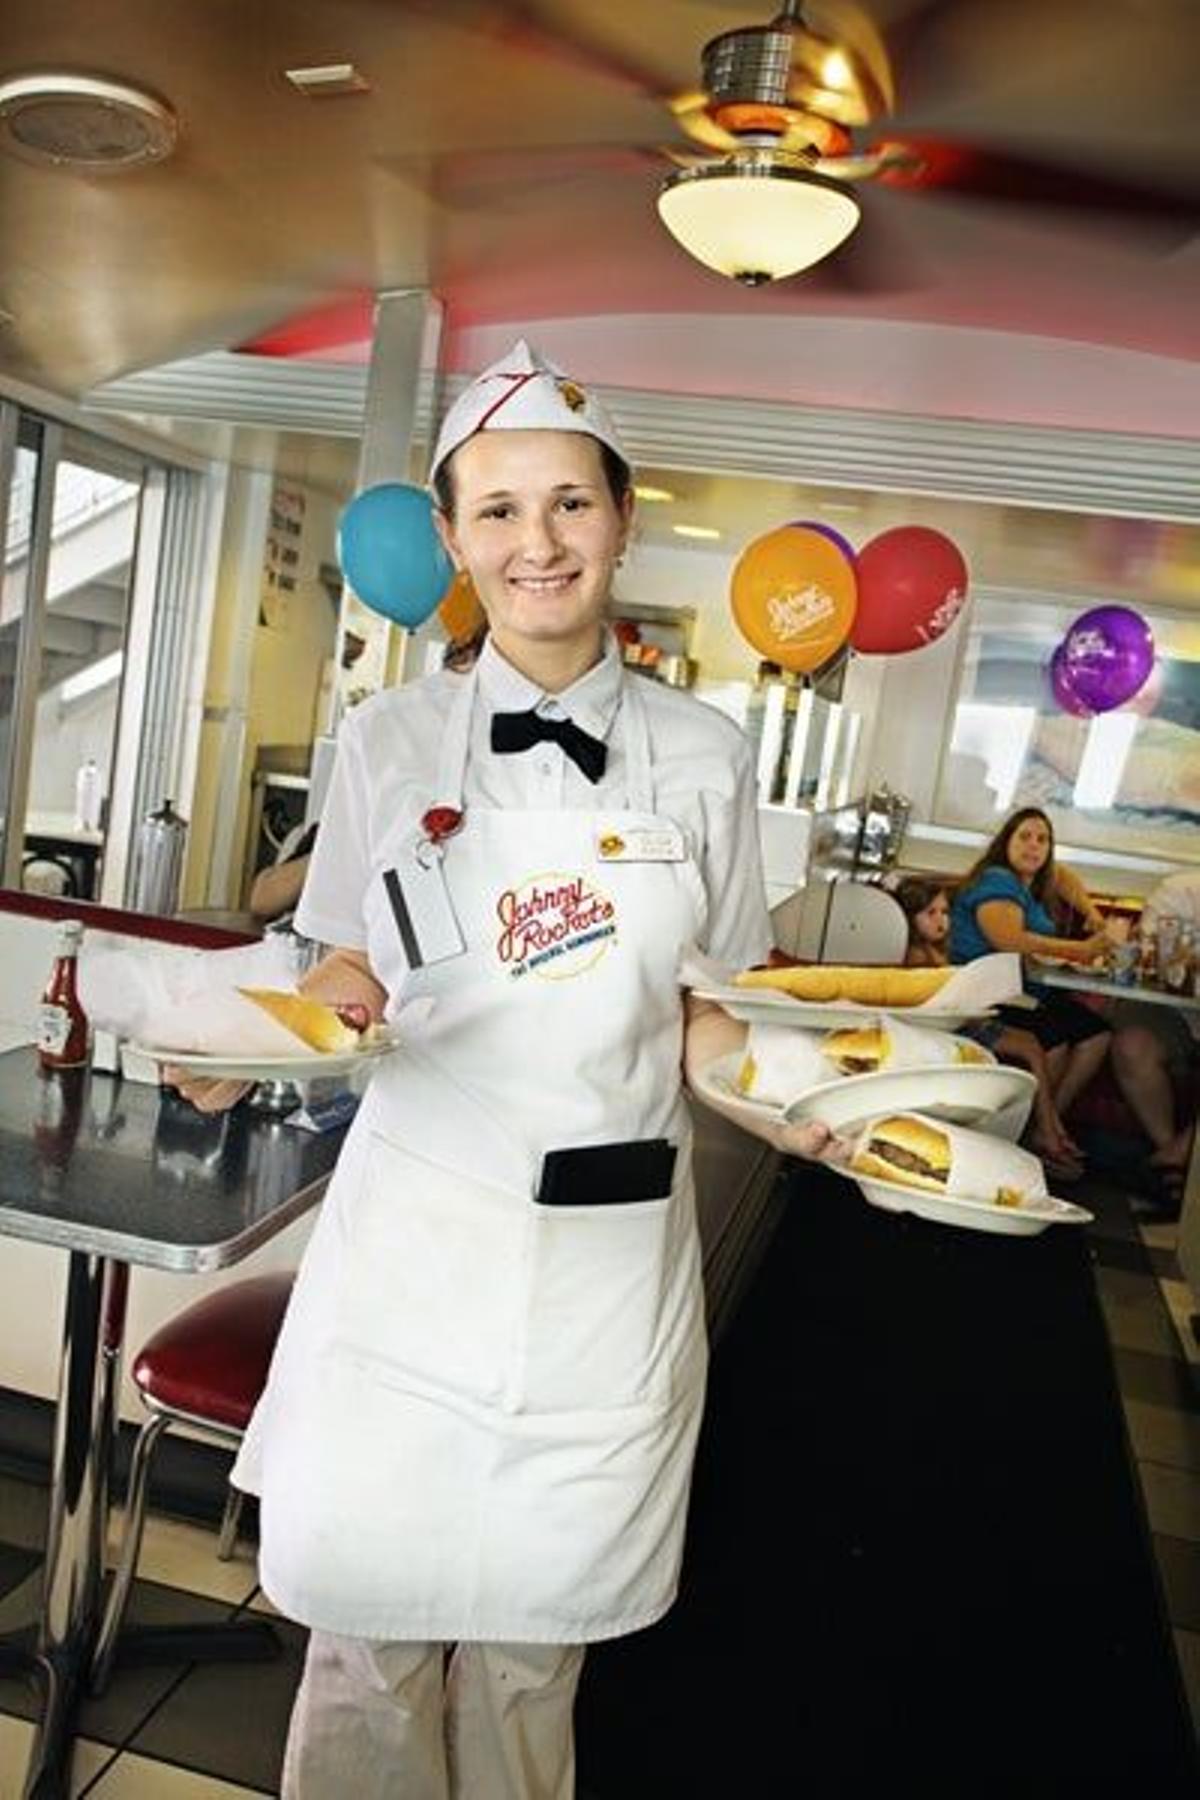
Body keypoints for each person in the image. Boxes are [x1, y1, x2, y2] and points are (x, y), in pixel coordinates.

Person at [168, 339, 836, 1799]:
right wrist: (246, 1042)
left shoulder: (706, 754)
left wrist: (822, 1110)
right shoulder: (385, 738)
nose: (536, 543)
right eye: (498, 511)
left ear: (621, 519)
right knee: (366, 1650)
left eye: (570, 506)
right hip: (413, 1242)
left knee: (539, 1659)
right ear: (457, 539)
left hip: (601, 1267)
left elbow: (709, 1010)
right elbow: (345, 963)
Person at [894, 873, 1085, 1175]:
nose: (941, 920)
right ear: (908, 917)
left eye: (944, 912)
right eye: (930, 913)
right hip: (947, 1028)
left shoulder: (936, 949)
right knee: (1032, 1047)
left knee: (1034, 1044)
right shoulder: (916, 955)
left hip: (961, 1019)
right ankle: (1047, 1132)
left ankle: (1047, 1128)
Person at [949, 808, 1118, 1145]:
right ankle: (1042, 1129)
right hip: (985, 994)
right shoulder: (997, 880)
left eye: (1043, 840)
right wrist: (1080, 949)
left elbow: (1064, 876)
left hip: (1024, 991)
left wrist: (1093, 916)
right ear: (1005, 842)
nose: (1034, 846)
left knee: (1097, 1035)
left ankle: (1047, 1121)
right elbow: (1010, 939)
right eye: (1024, 837)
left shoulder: (1029, 881)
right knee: (1054, 1041)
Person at [1109, 869, 1200, 1204]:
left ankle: (1175, 1157)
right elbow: (1150, 954)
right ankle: (1171, 1153)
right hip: (1174, 1013)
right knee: (1132, 1045)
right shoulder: (1179, 890)